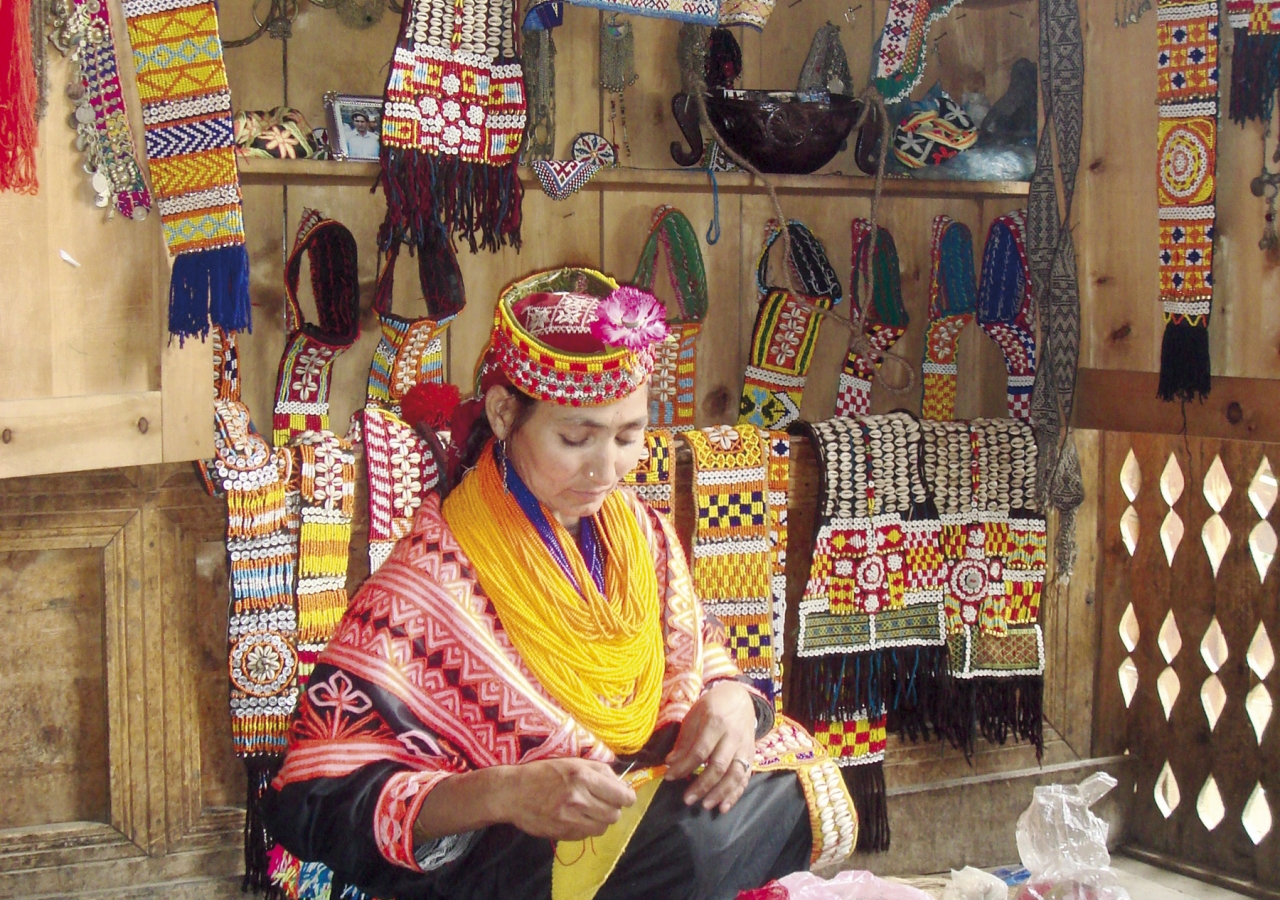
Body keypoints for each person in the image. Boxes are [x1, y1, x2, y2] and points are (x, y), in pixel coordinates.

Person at [262, 268, 856, 900]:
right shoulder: (427, 583)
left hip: (635, 800)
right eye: (576, 438)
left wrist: (735, 702)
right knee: (691, 845)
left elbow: (700, 659)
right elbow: (317, 799)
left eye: (628, 436)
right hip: (512, 849)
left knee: (794, 779)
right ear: (501, 413)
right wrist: (507, 792)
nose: (606, 469)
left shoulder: (641, 535)